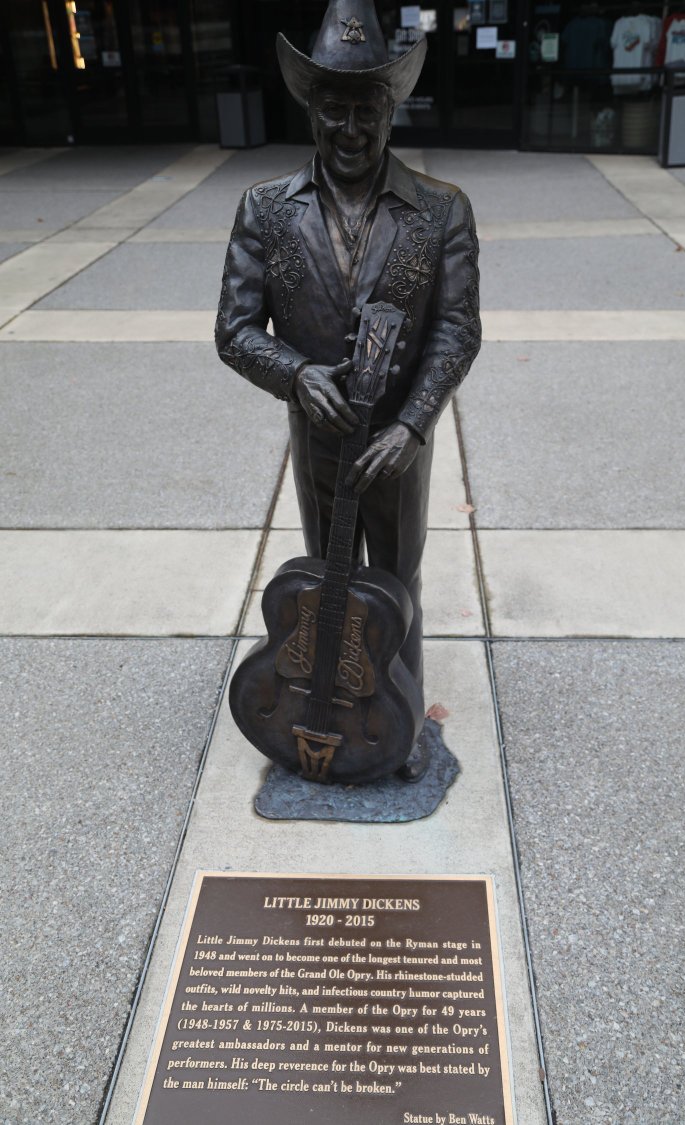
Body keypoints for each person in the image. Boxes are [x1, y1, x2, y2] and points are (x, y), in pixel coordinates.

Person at [216, 0, 480, 780]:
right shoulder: (266, 210)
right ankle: (326, 709)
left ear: (391, 109)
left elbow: (456, 330)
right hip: (318, 439)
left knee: (397, 588)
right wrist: (297, 375)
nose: (352, 129)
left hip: (397, 443)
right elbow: (234, 329)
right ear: (311, 109)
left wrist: (413, 426)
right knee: (326, 584)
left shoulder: (441, 210)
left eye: (368, 109)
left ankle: (399, 726)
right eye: (335, 109)